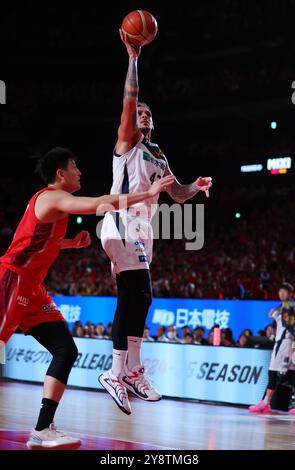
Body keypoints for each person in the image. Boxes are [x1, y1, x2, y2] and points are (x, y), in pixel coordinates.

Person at [0, 147, 174, 448]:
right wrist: (148, 193)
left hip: (33, 288)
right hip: (12, 279)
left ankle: (43, 429)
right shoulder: (52, 196)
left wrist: (68, 243)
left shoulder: (54, 206)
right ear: (60, 174)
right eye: (74, 166)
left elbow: (36, 240)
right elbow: (100, 203)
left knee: (65, 350)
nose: (79, 172)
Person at [99, 30, 212, 415]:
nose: (144, 116)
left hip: (142, 231)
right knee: (138, 293)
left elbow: (175, 192)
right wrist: (133, 59)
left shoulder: (158, 156)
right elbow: (130, 100)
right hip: (120, 220)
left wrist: (193, 187)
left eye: (149, 114)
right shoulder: (127, 142)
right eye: (140, 113)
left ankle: (129, 371)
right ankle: (118, 372)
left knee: (138, 297)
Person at [249, 283, 295, 414]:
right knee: (290, 374)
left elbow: (290, 325)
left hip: (284, 343)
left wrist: (275, 315)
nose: (281, 294)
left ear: (290, 294)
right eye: (280, 291)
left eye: (285, 292)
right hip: (289, 343)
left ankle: (265, 403)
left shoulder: (288, 307)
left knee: (272, 372)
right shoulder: (287, 306)